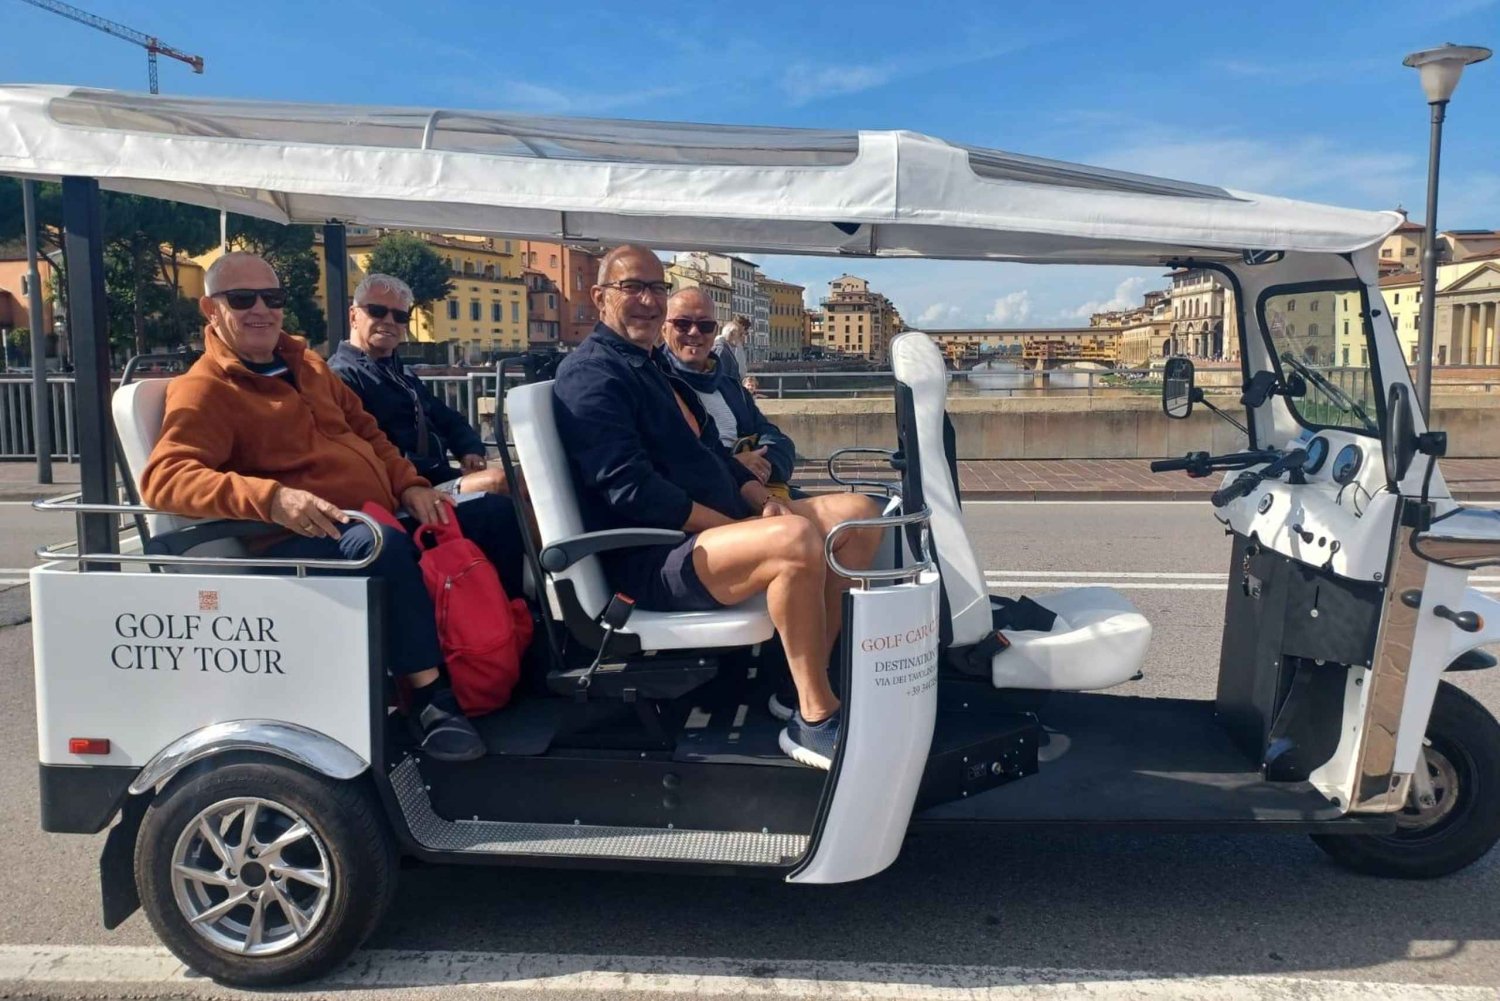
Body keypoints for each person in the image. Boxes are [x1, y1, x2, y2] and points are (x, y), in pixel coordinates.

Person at [140, 252, 524, 763]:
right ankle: (431, 700)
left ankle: (509, 653)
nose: (261, 310)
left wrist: (410, 485)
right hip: (302, 536)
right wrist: (273, 498)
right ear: (211, 308)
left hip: (373, 510)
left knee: (494, 514)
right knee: (378, 546)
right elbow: (166, 477)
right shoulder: (207, 388)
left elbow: (369, 433)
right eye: (242, 299)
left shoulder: (308, 366)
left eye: (272, 298)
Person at [552, 245, 881, 770]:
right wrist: (742, 526)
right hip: (650, 556)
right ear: (599, 297)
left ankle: (793, 683)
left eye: (656, 288)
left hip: (702, 535)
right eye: (632, 287)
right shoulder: (592, 376)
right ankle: (815, 719)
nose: (648, 300)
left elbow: (710, 451)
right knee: (795, 540)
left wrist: (758, 500)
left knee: (856, 518)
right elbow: (632, 490)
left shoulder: (652, 368)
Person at [330, 273, 507, 496]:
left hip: (434, 479)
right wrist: (438, 471)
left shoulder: (401, 373)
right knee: (501, 483)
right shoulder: (341, 377)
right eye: (377, 311)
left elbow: (447, 418)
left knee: (525, 482)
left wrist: (470, 449)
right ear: (354, 316)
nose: (389, 321)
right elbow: (368, 450)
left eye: (400, 316)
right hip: (408, 493)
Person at [661, 288, 798, 498]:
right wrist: (735, 464)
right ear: (664, 329)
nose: (695, 332)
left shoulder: (731, 387)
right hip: (710, 503)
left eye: (705, 326)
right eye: (683, 324)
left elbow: (778, 440)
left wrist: (762, 464)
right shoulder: (655, 384)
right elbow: (671, 460)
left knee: (859, 512)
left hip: (760, 490)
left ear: (715, 331)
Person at [712, 316, 749, 384]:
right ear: (732, 334)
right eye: (740, 334)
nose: (742, 338)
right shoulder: (722, 350)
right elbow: (720, 378)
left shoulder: (725, 349)